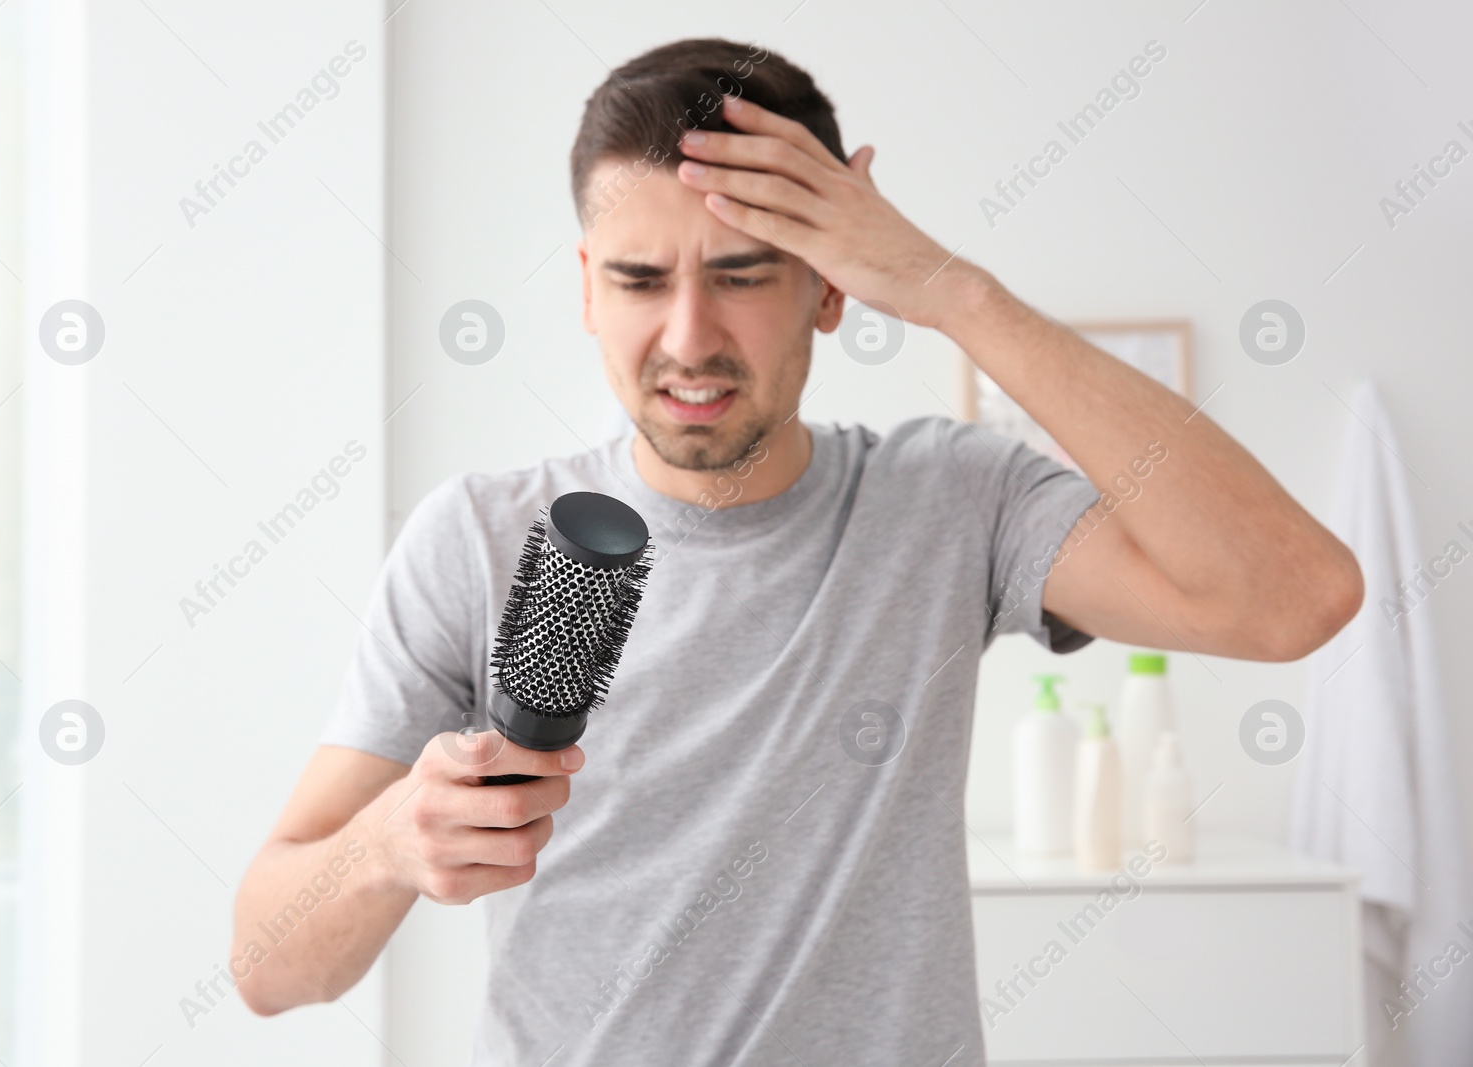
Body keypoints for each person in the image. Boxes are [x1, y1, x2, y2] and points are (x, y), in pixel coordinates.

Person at [231, 37, 1361, 1065]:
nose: (687, 338)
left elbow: (1292, 598)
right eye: (637, 279)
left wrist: (951, 291)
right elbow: (270, 967)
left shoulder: (952, 501)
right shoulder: (479, 539)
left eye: (740, 274)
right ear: (585, 287)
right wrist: (386, 841)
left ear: (829, 284)